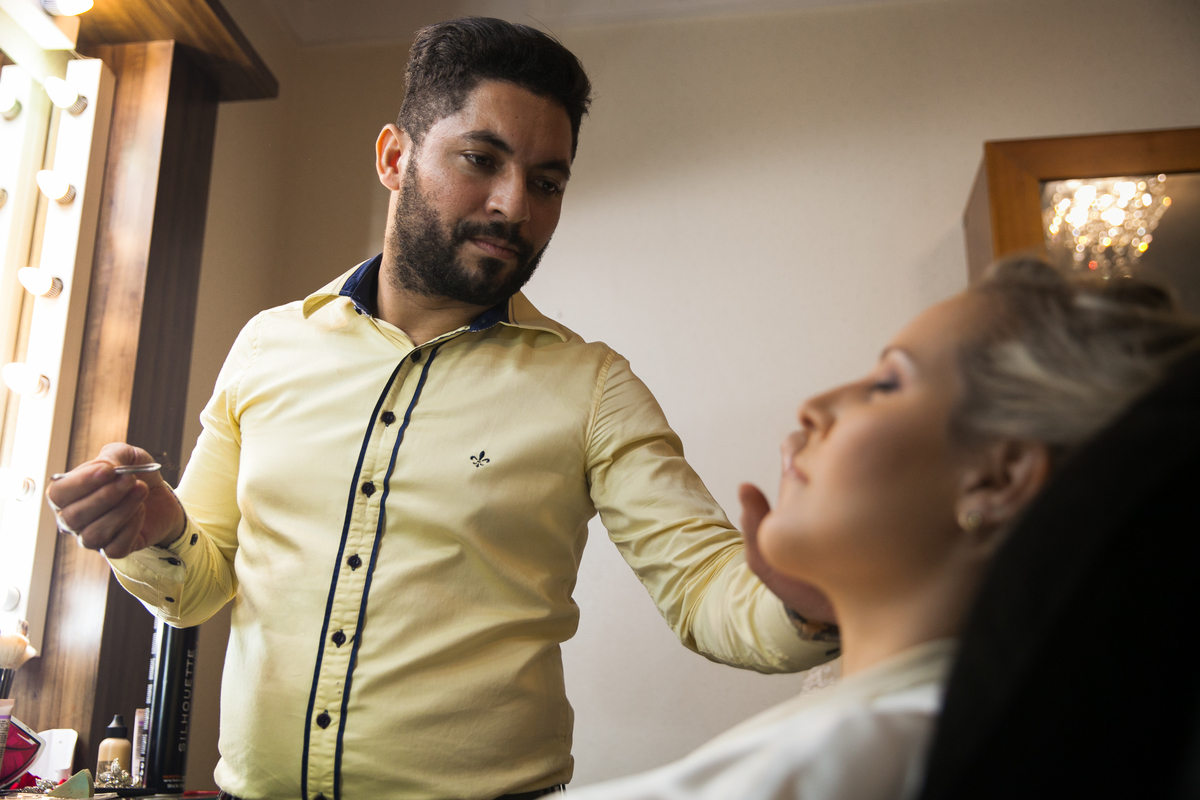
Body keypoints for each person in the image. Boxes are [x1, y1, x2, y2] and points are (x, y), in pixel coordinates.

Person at [44, 17, 835, 800]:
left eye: (548, 181)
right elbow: (202, 586)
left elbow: (707, 590)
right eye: (481, 160)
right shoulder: (267, 346)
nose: (515, 204)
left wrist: (813, 603)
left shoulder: (595, 387)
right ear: (396, 157)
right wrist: (150, 535)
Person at [565, 257, 1200, 799]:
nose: (813, 409)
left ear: (1000, 478)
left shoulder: (876, 749)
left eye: (887, 382)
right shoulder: (889, 726)